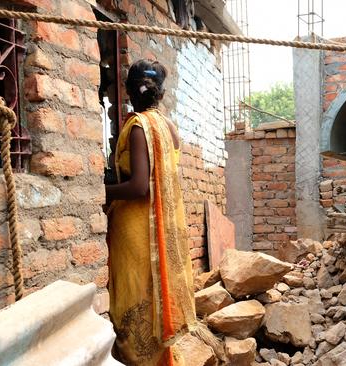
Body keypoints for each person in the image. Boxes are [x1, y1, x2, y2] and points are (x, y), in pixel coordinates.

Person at [106, 60, 214, 365]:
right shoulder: (168, 128)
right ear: (162, 94)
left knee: (134, 295)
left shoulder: (138, 126)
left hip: (137, 230)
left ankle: (140, 360)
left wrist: (99, 191)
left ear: (127, 90)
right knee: (153, 297)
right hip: (158, 229)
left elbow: (140, 187)